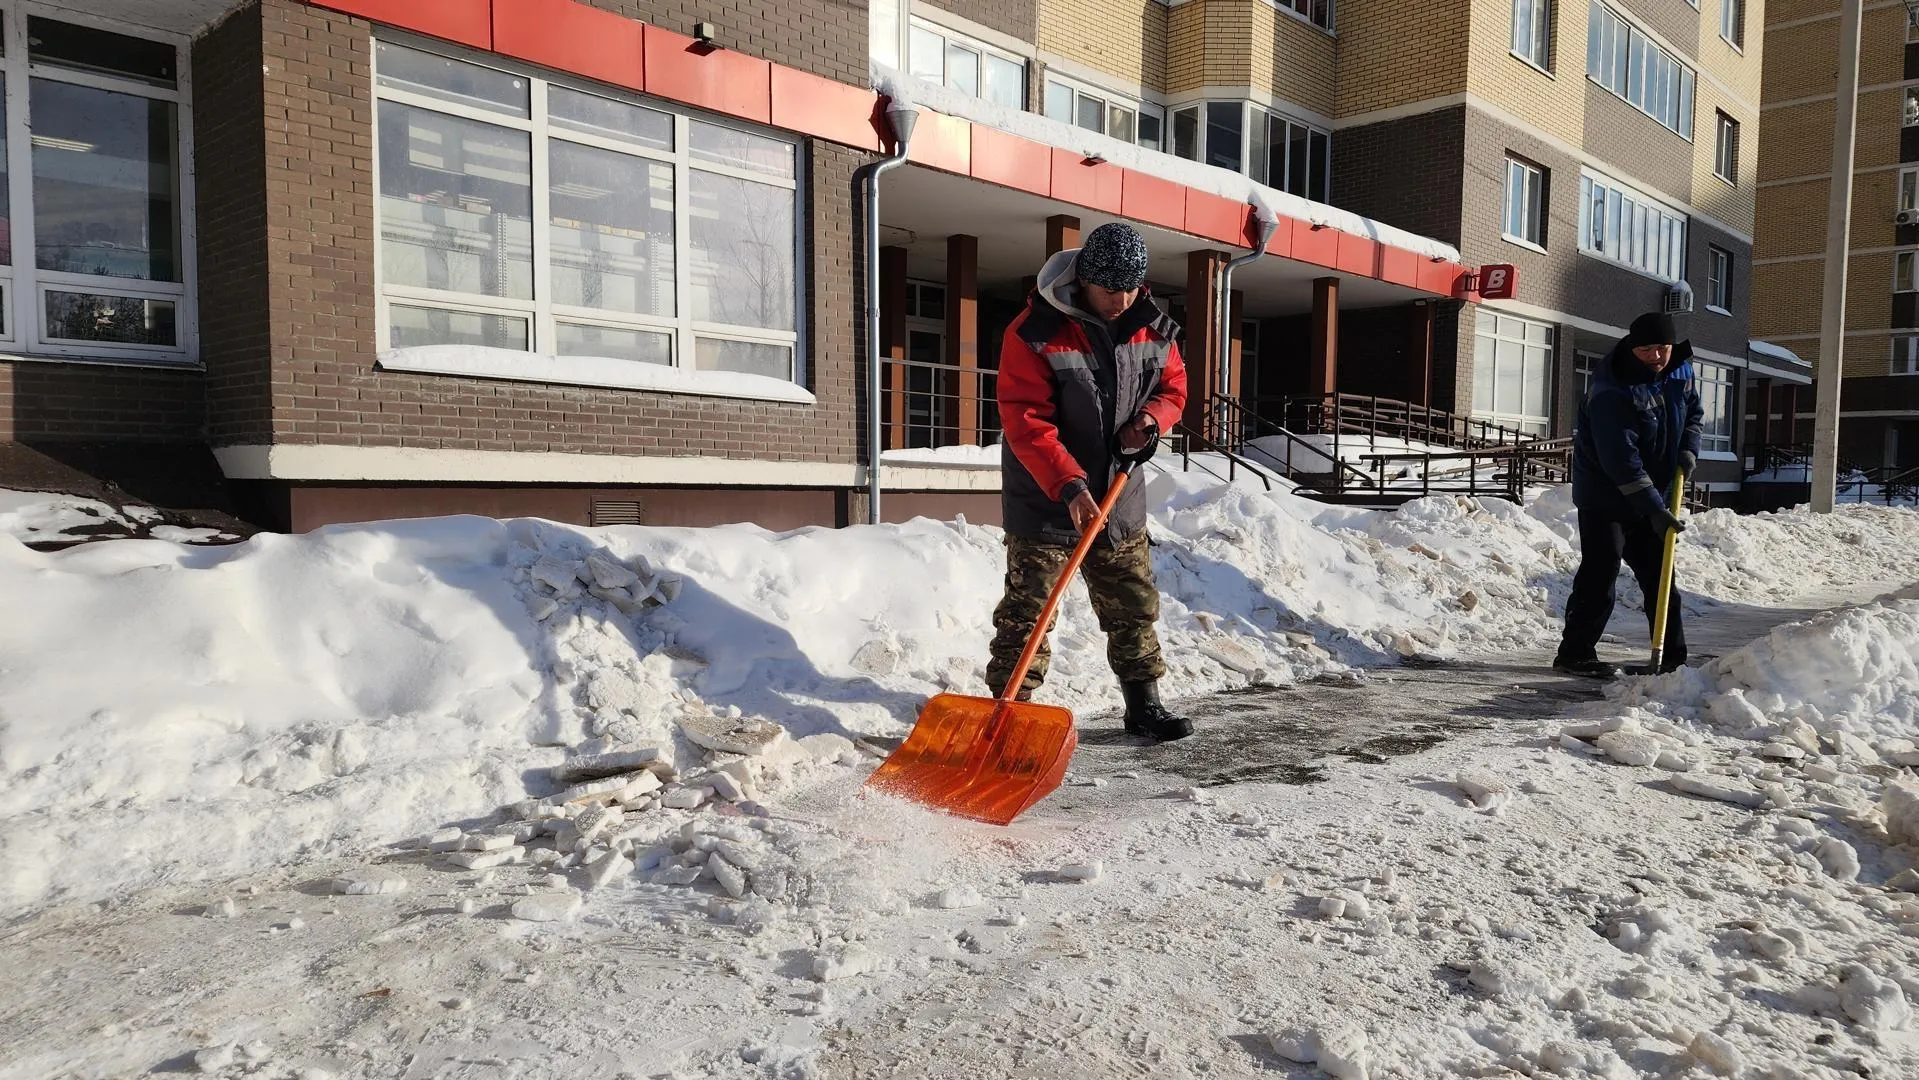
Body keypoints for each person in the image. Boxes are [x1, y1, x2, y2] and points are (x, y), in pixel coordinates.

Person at [986, 222, 1192, 741]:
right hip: (1047, 498)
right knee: (1029, 613)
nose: (1120, 300)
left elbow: (1174, 389)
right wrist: (1070, 486)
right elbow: (1025, 418)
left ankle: (1144, 705)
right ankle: (1006, 714)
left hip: (1119, 496)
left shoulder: (1154, 328)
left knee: (1132, 604)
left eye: (1130, 287)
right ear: (1083, 280)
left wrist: (1151, 422)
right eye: (1108, 289)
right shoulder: (1034, 332)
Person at [1554, 311, 1703, 678]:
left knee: (1660, 572)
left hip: (1651, 491)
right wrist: (1653, 508)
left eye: (1663, 348)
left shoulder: (1680, 371)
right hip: (1606, 495)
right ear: (1632, 348)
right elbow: (1621, 459)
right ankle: (1575, 653)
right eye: (1647, 350)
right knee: (1601, 572)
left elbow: (1694, 414)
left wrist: (1689, 449)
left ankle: (1671, 657)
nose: (1656, 357)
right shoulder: (1611, 389)